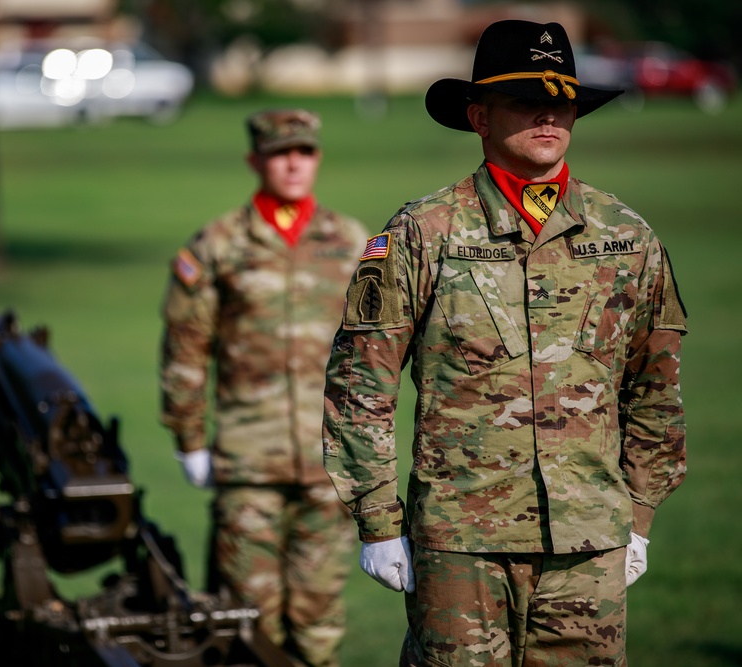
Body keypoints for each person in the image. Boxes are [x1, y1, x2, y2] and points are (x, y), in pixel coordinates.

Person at [322, 20, 688, 666]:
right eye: (524, 100)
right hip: (461, 546)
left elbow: (656, 385)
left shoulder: (626, 235)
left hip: (589, 546)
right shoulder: (424, 231)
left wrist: (639, 511)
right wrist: (378, 520)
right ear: (478, 116)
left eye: (562, 100)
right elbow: (360, 384)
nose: (548, 114)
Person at [159, 109, 368, 667]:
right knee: (244, 624)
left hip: (330, 464)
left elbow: (377, 351)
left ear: (318, 158)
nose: (293, 163)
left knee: (319, 623)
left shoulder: (349, 242)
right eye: (280, 153)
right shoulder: (219, 245)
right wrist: (189, 439)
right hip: (248, 462)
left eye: (304, 151)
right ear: (255, 161)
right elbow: (185, 347)